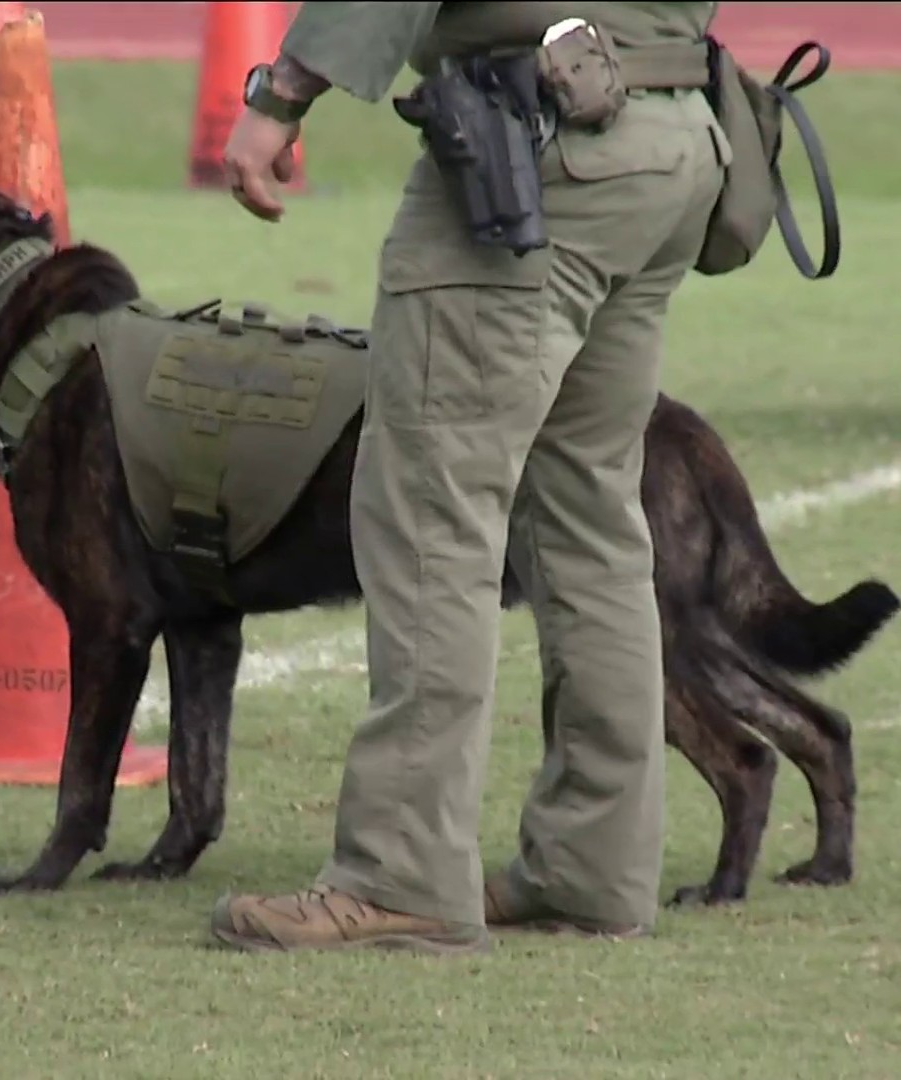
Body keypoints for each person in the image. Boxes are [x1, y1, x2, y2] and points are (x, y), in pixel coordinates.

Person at [210, 1, 728, 954]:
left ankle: (401, 876)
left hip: (540, 151)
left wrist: (282, 93)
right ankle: (593, 867)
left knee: (431, 516)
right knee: (590, 518)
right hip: (675, 135)